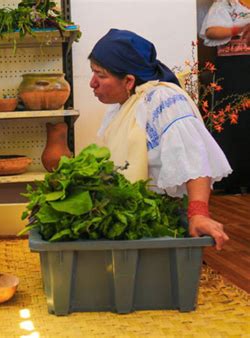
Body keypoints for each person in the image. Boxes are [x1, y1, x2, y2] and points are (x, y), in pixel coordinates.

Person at [88, 29, 232, 250]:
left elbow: (193, 156)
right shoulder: (124, 106)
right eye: (92, 73)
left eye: (101, 75)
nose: (92, 83)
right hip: (135, 217)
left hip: (164, 219)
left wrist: (198, 214)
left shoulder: (163, 99)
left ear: (128, 81)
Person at [199, 0, 250, 194]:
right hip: (233, 70)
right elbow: (211, 31)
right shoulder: (225, 5)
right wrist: (238, 28)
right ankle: (231, 180)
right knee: (233, 122)